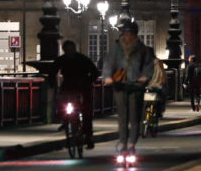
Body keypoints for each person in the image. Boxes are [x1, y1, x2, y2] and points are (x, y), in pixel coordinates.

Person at [101, 21, 155, 155]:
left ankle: (131, 142)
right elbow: (108, 63)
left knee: (134, 117)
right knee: (122, 117)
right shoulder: (116, 48)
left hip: (136, 86)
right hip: (120, 85)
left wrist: (144, 77)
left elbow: (149, 65)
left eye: (130, 34)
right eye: (126, 34)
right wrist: (107, 77)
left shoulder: (142, 49)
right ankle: (123, 141)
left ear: (135, 35)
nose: (127, 36)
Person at [52, 40, 99, 148]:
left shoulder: (82, 59)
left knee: (86, 110)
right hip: (69, 86)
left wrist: (88, 81)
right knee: (60, 100)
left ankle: (88, 136)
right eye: (67, 50)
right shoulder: (64, 59)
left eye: (70, 50)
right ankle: (64, 119)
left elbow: (94, 72)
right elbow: (53, 71)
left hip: (82, 86)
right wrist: (51, 81)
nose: (69, 52)